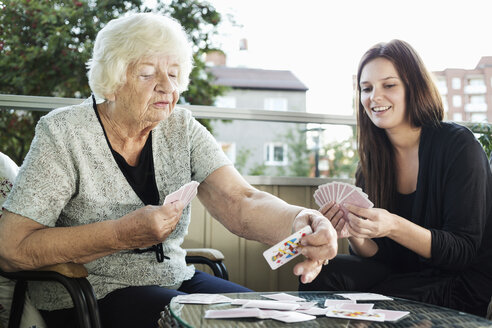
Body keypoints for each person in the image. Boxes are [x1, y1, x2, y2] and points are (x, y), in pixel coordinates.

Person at [0, 13, 338, 328]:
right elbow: (12, 247)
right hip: (88, 293)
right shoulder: (64, 132)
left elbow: (241, 199)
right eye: (148, 73)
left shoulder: (181, 127)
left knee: (268, 316)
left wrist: (298, 220)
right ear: (113, 81)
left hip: (174, 278)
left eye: (174, 74)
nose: (167, 86)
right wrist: (120, 234)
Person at [299, 39, 492, 317]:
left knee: (382, 299)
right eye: (366, 88)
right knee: (321, 279)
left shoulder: (458, 146)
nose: (374, 97)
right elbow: (381, 256)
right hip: (401, 273)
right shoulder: (371, 163)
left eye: (389, 85)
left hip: (457, 280)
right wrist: (355, 232)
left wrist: (393, 225)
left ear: (414, 87)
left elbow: (462, 251)